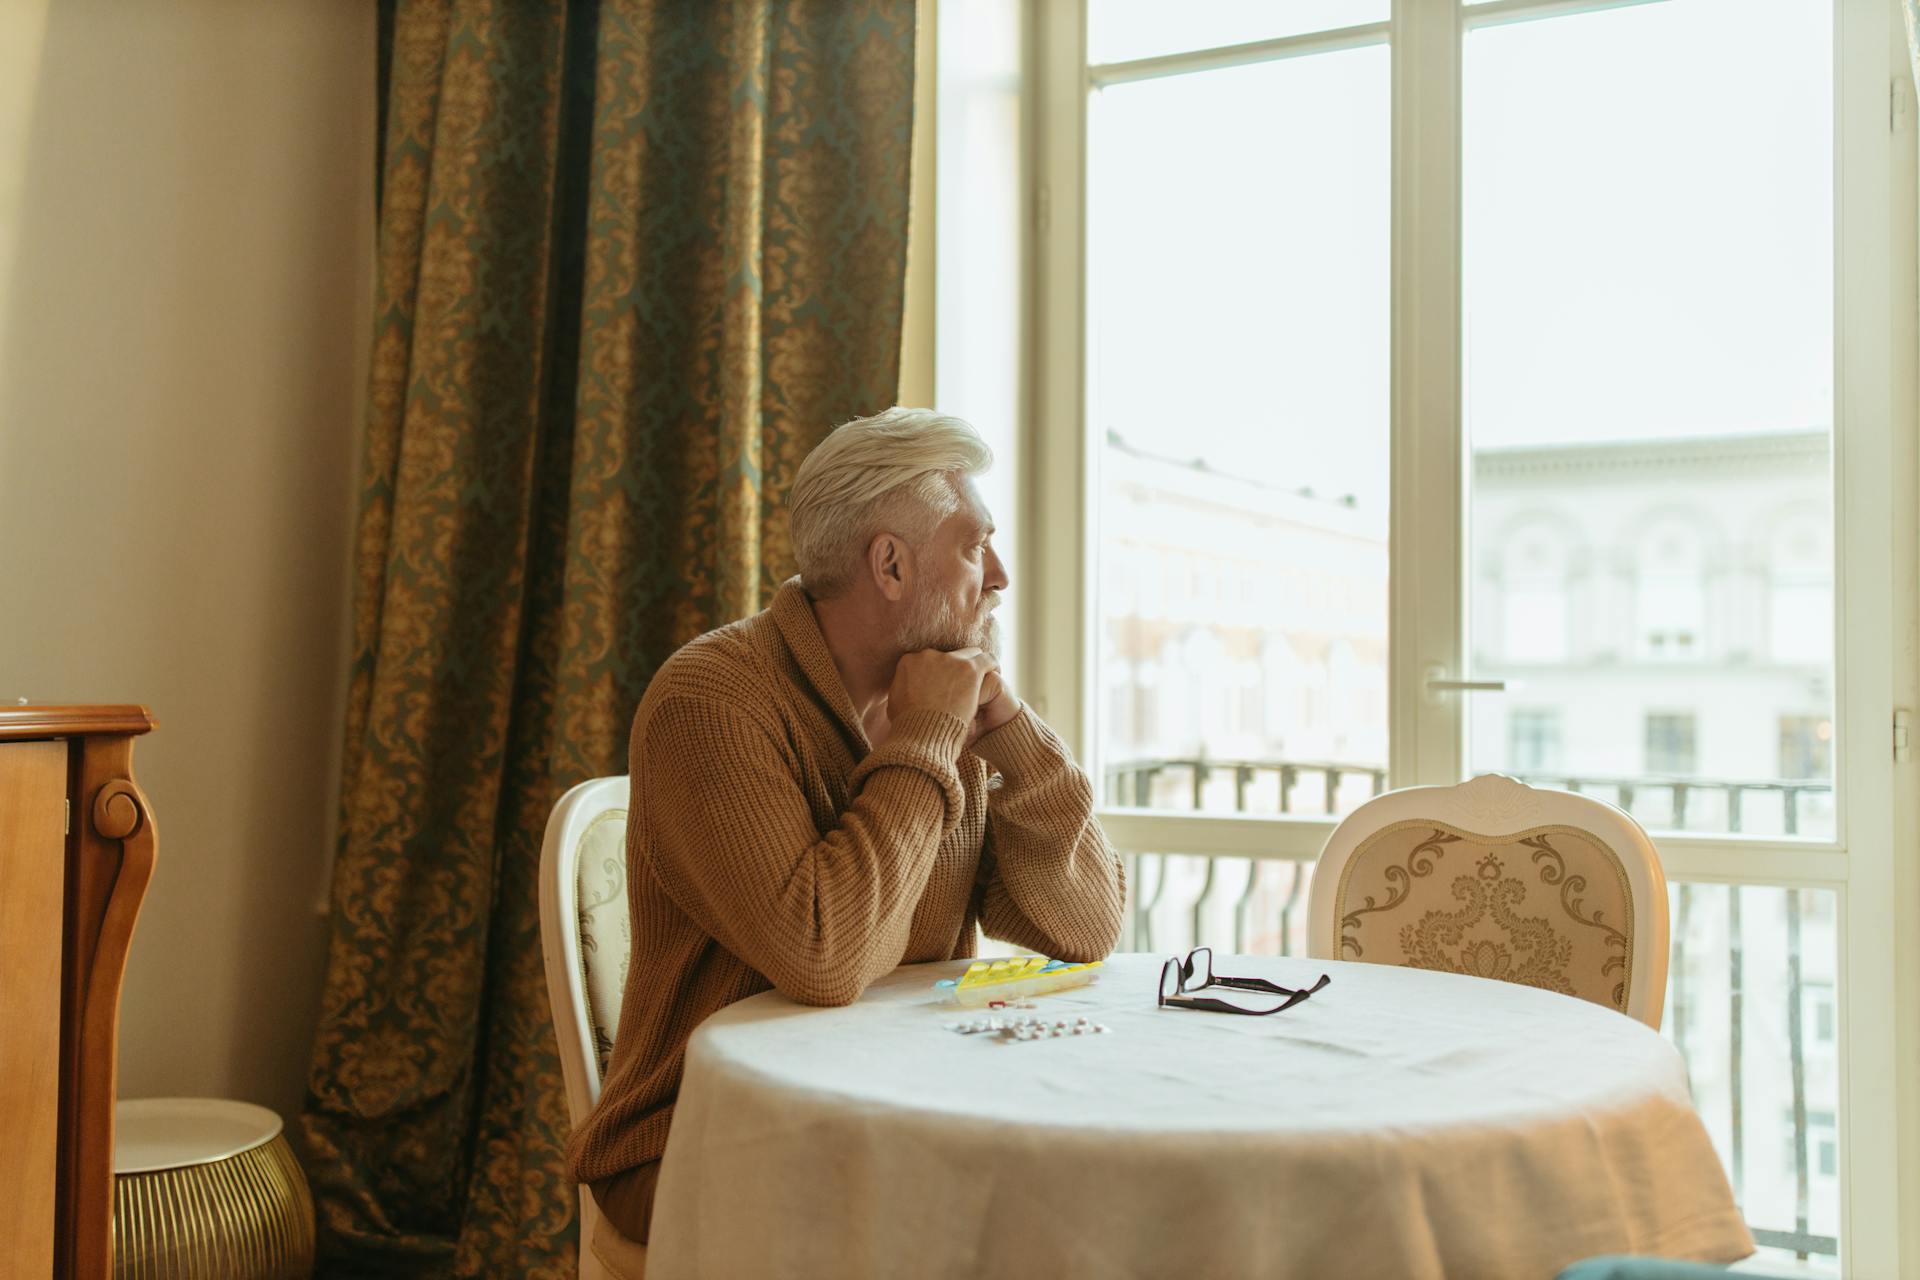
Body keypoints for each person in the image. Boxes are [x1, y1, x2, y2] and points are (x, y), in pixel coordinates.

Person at [564, 406, 1126, 1262]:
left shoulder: (945, 713)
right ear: (891, 564)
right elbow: (821, 955)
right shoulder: (711, 702)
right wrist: (926, 739)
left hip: (899, 1101)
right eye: (975, 546)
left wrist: (1010, 729)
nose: (1001, 575)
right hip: (703, 1134)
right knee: (1023, 1225)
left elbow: (1083, 930)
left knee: (1083, 1195)